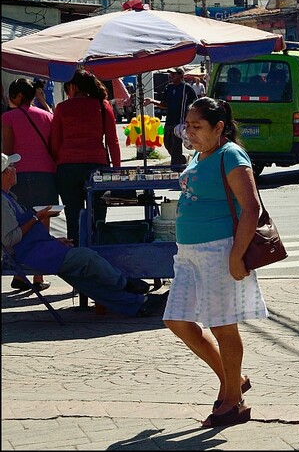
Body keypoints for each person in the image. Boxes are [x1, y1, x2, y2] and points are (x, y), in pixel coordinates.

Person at [162, 97, 267, 428]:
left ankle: (233, 399)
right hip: (189, 252)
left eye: (197, 126)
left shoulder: (231, 154)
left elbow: (251, 208)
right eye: (187, 126)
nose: (189, 133)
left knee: (222, 325)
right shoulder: (199, 154)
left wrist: (236, 256)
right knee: (176, 320)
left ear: (219, 127)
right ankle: (233, 380)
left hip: (218, 250)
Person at [2, 153, 167, 317]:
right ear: (5, 173)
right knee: (86, 257)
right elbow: (9, 239)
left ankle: (138, 304)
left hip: (37, 249)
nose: (16, 169)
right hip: (25, 255)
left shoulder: (9, 197)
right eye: (12, 166)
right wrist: (36, 217)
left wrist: (53, 240)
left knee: (83, 279)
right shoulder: (3, 202)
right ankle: (125, 284)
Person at [50, 70, 121, 243]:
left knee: (73, 215)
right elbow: (113, 141)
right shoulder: (103, 106)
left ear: (73, 87)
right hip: (96, 166)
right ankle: (97, 246)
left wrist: (59, 162)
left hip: (67, 167)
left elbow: (55, 142)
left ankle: (76, 252)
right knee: (98, 211)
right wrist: (117, 170)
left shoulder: (62, 108)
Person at [2, 78, 58, 291]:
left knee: (22, 223)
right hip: (46, 173)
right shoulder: (47, 116)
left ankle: (20, 273)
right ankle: (38, 277)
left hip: (19, 175)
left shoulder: (8, 117)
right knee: (43, 223)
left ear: (17, 96)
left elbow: (6, 153)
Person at [144, 67, 198, 167]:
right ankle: (182, 159)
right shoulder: (168, 88)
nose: (171, 76)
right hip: (169, 121)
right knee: (167, 144)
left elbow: (195, 104)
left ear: (181, 75)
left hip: (180, 122)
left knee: (175, 146)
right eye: (170, 74)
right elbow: (164, 104)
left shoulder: (187, 88)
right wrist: (152, 101)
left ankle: (176, 168)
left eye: (174, 74)